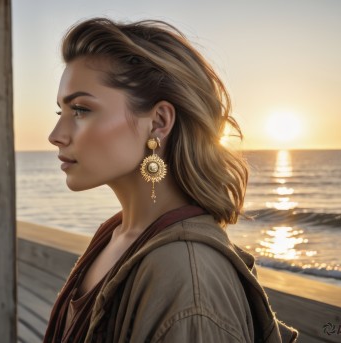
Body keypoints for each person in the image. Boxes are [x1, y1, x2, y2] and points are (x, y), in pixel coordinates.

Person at [46, 17, 298, 343]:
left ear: (158, 122)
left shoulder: (187, 281)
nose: (56, 136)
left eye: (80, 109)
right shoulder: (115, 234)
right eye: (60, 113)